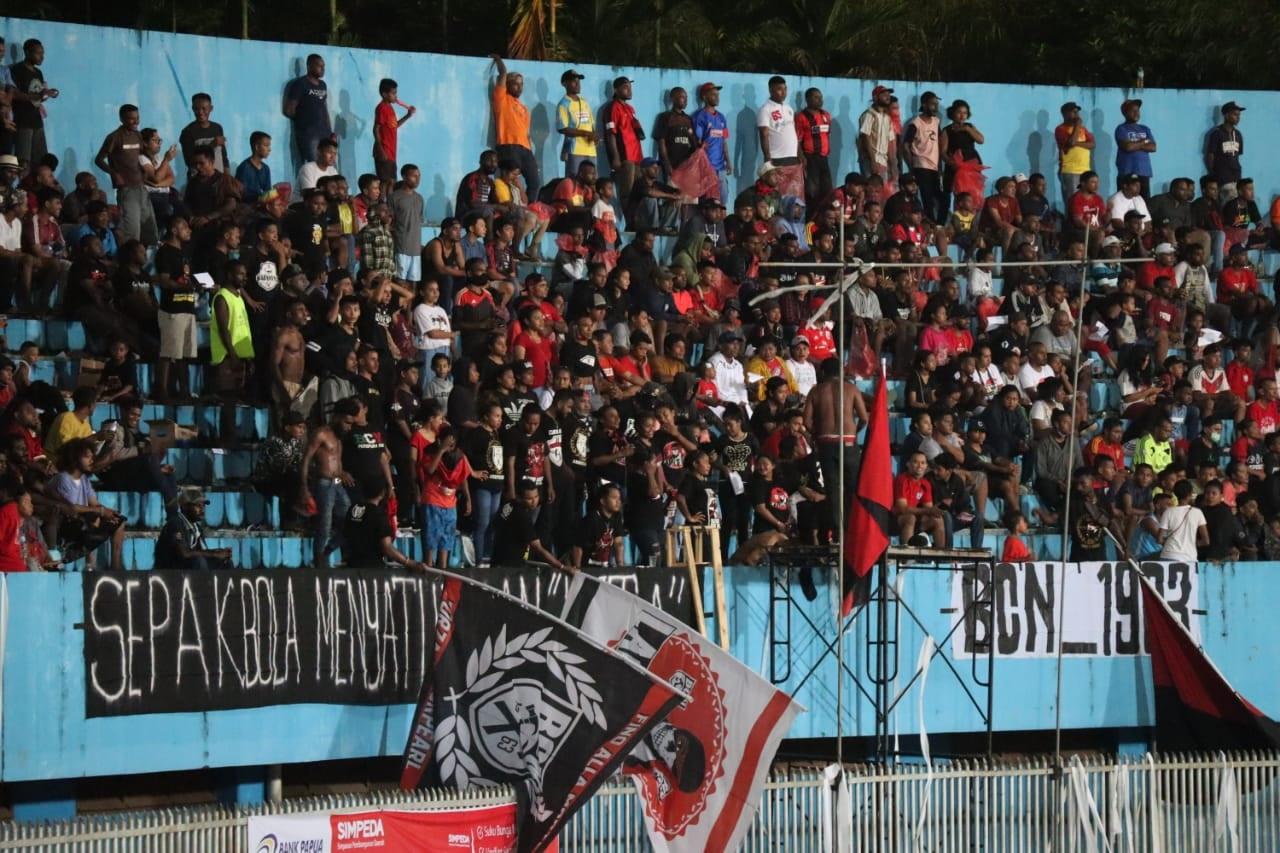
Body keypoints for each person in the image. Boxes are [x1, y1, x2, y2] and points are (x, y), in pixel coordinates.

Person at [94, 104, 158, 244]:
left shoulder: (137, 135)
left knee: (149, 228)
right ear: (122, 119)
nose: (136, 122)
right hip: (127, 190)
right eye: (131, 119)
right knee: (132, 231)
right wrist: (114, 174)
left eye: (137, 118)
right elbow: (99, 160)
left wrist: (150, 159)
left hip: (141, 187)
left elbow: (141, 153)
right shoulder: (114, 137)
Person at [488, 55, 539, 198]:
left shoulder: (524, 108)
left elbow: (526, 132)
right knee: (510, 181)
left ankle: (530, 209)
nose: (520, 87)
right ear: (508, 85)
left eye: (521, 84)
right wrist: (499, 61)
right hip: (508, 145)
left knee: (534, 182)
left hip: (526, 148)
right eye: (516, 83)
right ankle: (509, 209)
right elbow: (502, 74)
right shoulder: (502, 99)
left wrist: (530, 149)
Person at [344, 485, 426, 571]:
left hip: (351, 565)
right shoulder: (378, 514)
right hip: (371, 569)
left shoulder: (352, 509)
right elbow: (387, 547)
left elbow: (345, 534)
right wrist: (409, 562)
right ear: (382, 493)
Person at [155, 490, 233, 571]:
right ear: (184, 507)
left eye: (203, 506)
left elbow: (201, 551)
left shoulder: (197, 528)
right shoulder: (175, 524)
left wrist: (219, 552)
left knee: (226, 562)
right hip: (169, 570)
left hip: (185, 568)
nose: (202, 509)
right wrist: (214, 553)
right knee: (199, 561)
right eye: (198, 505)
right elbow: (184, 554)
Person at [283, 53, 333, 164]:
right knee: (314, 166)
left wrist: (330, 131)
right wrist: (305, 120)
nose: (323, 69)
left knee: (328, 166)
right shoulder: (300, 84)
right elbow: (289, 110)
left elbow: (324, 108)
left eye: (324, 66)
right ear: (310, 66)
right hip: (309, 136)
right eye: (319, 66)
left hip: (324, 134)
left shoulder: (323, 85)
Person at [901, 91, 942, 222]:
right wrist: (911, 164)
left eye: (936, 104)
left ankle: (937, 225)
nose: (935, 107)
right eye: (932, 104)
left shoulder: (936, 121)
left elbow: (939, 142)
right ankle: (930, 225)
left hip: (934, 166)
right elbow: (906, 145)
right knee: (926, 198)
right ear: (924, 105)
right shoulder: (916, 123)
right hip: (921, 165)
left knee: (938, 198)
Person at [691, 81, 732, 204]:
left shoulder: (721, 117)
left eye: (717, 94)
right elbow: (697, 142)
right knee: (709, 202)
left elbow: (724, 140)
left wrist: (728, 161)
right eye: (713, 94)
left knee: (723, 198)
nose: (717, 97)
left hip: (721, 167)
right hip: (706, 167)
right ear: (704, 97)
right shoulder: (699, 117)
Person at [372, 78, 414, 194]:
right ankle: (382, 206)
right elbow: (376, 129)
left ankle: (389, 207)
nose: (396, 96)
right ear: (384, 94)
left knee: (391, 182)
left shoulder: (390, 108)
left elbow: (394, 126)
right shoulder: (381, 108)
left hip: (391, 152)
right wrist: (380, 149)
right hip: (384, 150)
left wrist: (407, 116)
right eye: (393, 93)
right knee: (384, 182)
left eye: (396, 93)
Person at [1054, 101, 1094, 206]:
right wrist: (1077, 126)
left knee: (1086, 202)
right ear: (1065, 114)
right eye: (1074, 112)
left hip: (1085, 171)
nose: (1077, 115)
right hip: (1070, 171)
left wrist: (1076, 143)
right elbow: (1070, 143)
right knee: (1072, 204)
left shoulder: (1083, 129)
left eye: (1077, 112)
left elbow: (1092, 144)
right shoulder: (1060, 129)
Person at [1114, 98, 1156, 198]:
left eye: (1137, 110)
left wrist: (1135, 144)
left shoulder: (1145, 128)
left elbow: (1153, 147)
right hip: (1127, 172)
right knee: (1125, 202)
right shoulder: (1121, 128)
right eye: (1132, 110)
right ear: (1125, 113)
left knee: (1144, 203)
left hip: (1144, 172)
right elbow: (1127, 147)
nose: (1136, 113)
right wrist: (1143, 141)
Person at [1158, 479, 1207, 562]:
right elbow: (1206, 540)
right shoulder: (1197, 512)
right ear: (1190, 494)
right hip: (1190, 557)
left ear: (1175, 494)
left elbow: (1159, 539)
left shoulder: (1168, 512)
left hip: (1169, 554)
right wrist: (1190, 543)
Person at [1205, 101, 1245, 199]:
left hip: (1236, 178)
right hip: (1222, 178)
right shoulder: (1216, 134)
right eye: (1235, 114)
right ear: (1226, 116)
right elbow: (1210, 156)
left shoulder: (1238, 134)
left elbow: (1237, 155)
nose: (1238, 117)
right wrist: (1213, 175)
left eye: (1239, 115)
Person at [858, 85, 896, 185]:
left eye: (889, 94)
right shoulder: (869, 115)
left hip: (883, 161)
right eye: (884, 94)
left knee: (882, 192)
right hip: (870, 160)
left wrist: (892, 165)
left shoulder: (887, 118)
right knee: (871, 190)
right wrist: (873, 161)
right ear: (875, 97)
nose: (888, 97)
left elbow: (890, 143)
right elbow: (865, 137)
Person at [757, 76, 798, 168]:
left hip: (793, 156)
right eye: (779, 89)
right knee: (780, 183)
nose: (783, 93)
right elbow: (764, 134)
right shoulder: (765, 109)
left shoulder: (789, 109)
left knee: (793, 183)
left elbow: (793, 133)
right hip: (777, 157)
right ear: (771, 90)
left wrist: (799, 154)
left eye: (785, 89)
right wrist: (767, 157)